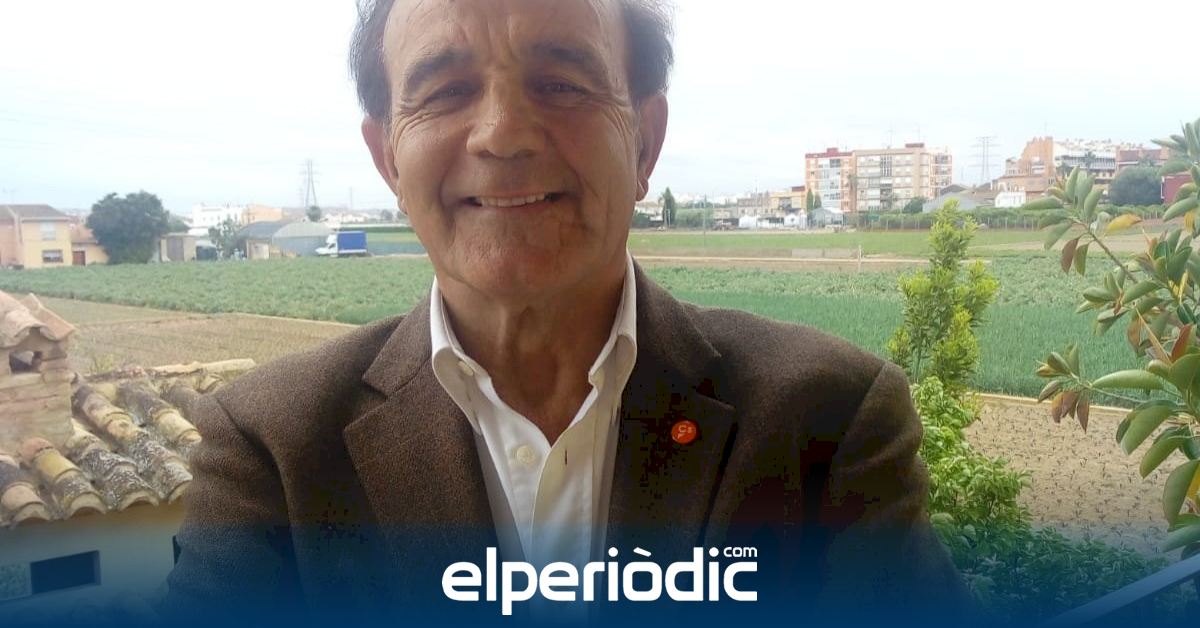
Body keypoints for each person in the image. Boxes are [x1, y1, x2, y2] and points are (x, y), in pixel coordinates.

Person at [164, 0, 972, 624]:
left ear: (645, 140)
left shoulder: (826, 418)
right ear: (388, 160)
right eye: (445, 92)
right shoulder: (275, 446)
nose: (503, 134)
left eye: (560, 83)